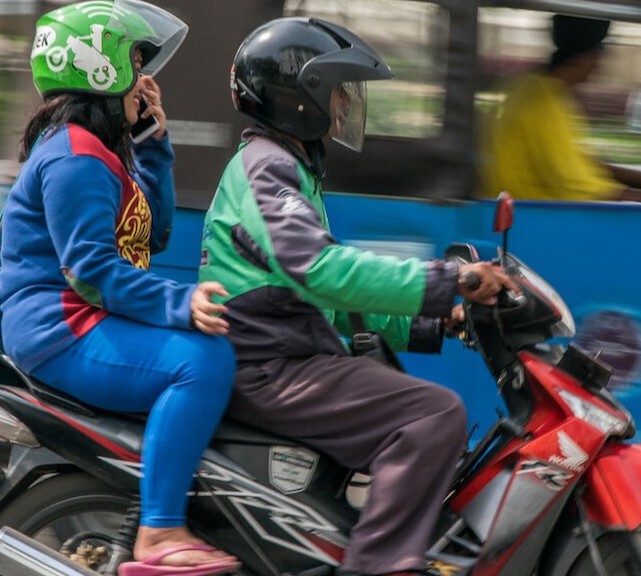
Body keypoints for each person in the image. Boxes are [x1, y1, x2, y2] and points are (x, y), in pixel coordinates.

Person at [199, 17, 517, 576]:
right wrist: (451, 282)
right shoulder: (268, 170)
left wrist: (439, 321)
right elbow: (322, 270)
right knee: (434, 414)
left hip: (285, 353)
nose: (346, 106)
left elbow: (330, 299)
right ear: (302, 97)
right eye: (339, 93)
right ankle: (381, 565)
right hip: (272, 366)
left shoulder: (288, 169)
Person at [0, 2, 239, 575]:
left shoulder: (100, 151)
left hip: (83, 315)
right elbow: (91, 271)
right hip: (60, 325)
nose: (147, 80)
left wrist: (154, 142)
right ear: (99, 69)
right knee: (200, 363)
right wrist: (180, 303)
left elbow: (152, 235)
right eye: (136, 61)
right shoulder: (74, 156)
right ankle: (158, 532)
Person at [480, 14, 641, 204]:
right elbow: (580, 186)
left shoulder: (531, 86)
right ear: (589, 57)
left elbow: (581, 162)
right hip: (534, 219)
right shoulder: (542, 103)